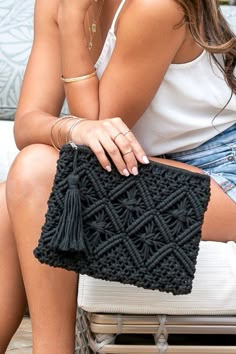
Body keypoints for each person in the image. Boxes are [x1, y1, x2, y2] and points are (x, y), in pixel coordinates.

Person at [0, 0, 235, 352]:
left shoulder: (153, 7)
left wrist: (73, 22)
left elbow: (98, 131)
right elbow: (27, 124)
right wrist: (72, 130)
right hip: (153, 161)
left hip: (223, 171)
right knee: (12, 195)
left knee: (38, 173)